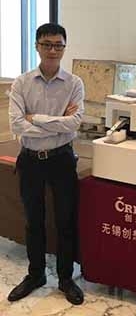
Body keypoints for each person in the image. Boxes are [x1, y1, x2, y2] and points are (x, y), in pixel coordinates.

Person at [8, 23, 85, 305]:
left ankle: (65, 278)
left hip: (61, 159)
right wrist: (57, 122)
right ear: (37, 46)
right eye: (47, 44)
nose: (53, 50)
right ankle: (36, 274)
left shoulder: (74, 83)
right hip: (30, 161)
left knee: (65, 220)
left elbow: (74, 124)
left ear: (64, 47)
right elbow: (16, 124)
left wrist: (36, 119)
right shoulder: (22, 83)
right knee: (33, 221)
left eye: (58, 45)